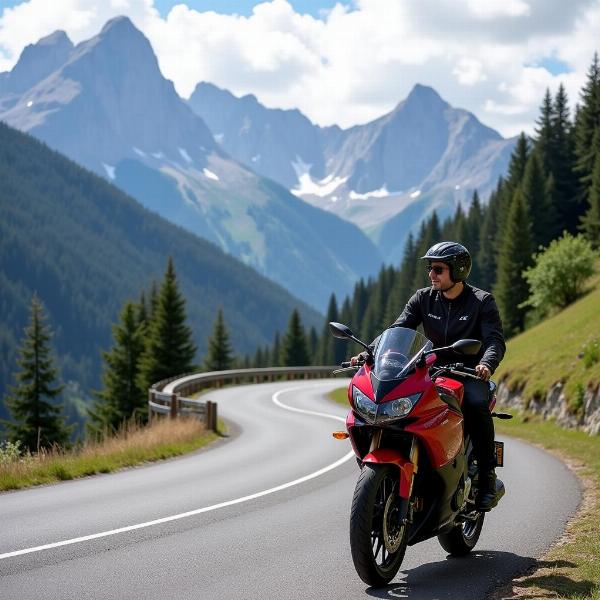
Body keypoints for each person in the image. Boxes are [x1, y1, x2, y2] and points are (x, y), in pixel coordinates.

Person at [352, 241, 506, 511]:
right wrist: (370, 353)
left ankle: (487, 480)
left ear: (457, 272)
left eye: (438, 269)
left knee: (476, 404)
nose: (431, 274)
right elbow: (399, 327)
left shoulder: (481, 302)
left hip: (466, 373)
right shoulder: (423, 298)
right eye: (429, 268)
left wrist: (486, 363)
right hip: (428, 370)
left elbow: (494, 340)